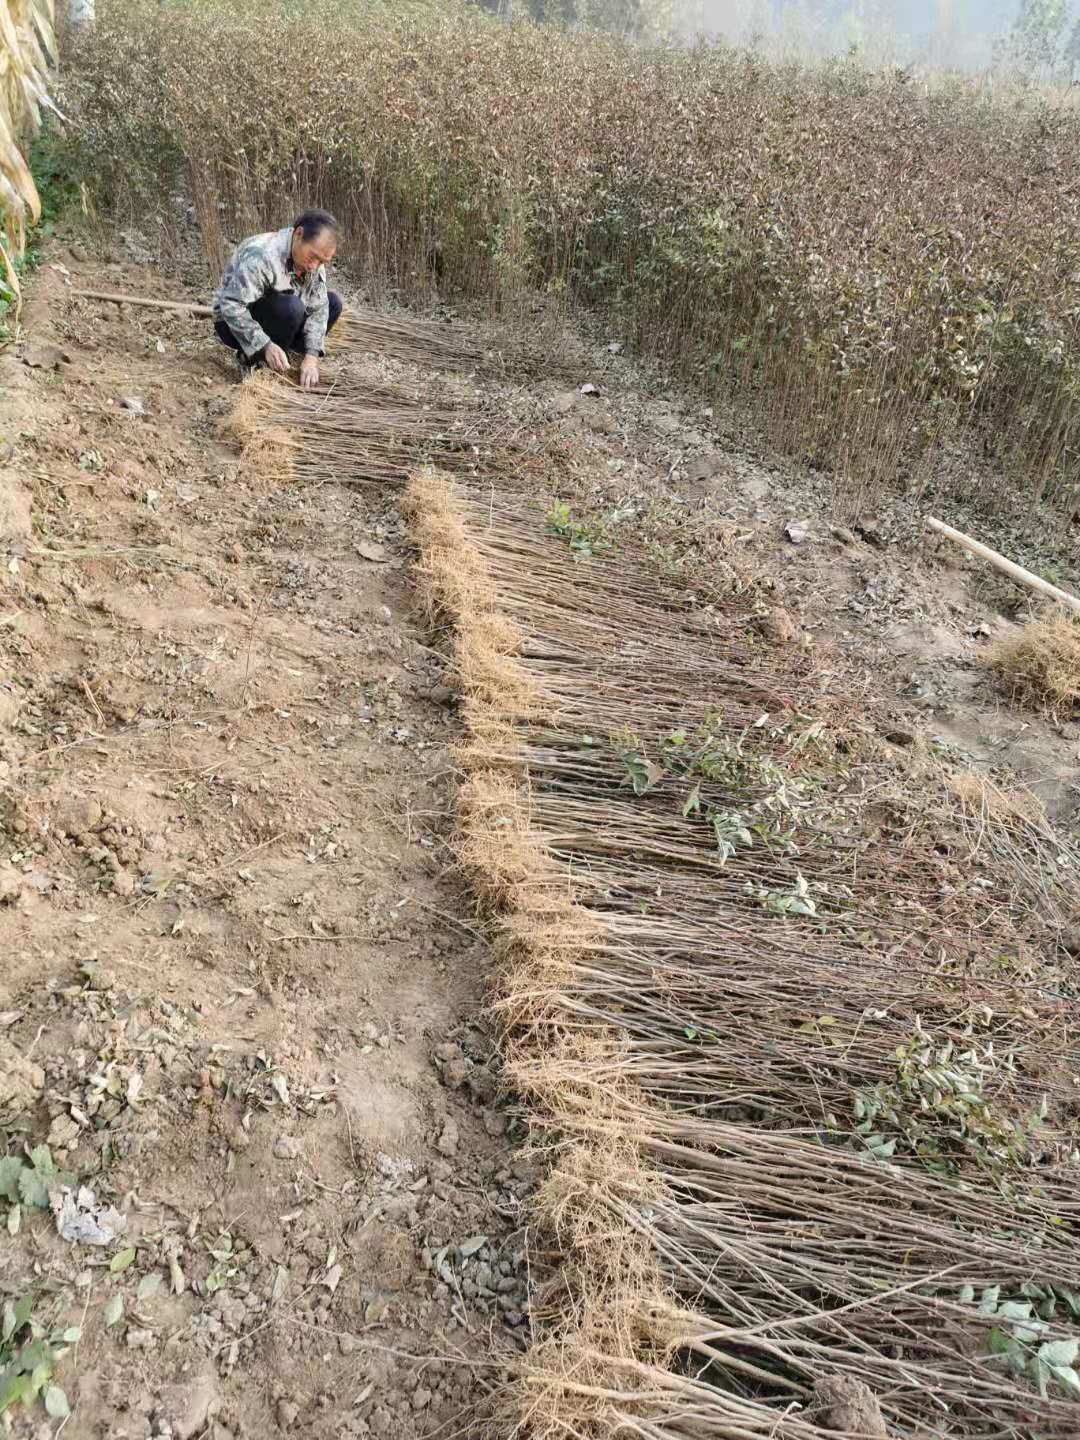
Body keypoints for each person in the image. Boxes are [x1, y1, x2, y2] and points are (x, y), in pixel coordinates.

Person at [212, 208, 343, 391]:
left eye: (322, 262)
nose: (314, 266)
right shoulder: (262, 255)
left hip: (281, 316)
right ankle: (253, 358)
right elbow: (231, 306)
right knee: (292, 307)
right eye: (313, 257)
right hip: (233, 324)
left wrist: (311, 356)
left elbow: (318, 308)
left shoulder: (313, 263)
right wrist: (265, 345)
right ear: (298, 234)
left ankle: (286, 353)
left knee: (333, 303)